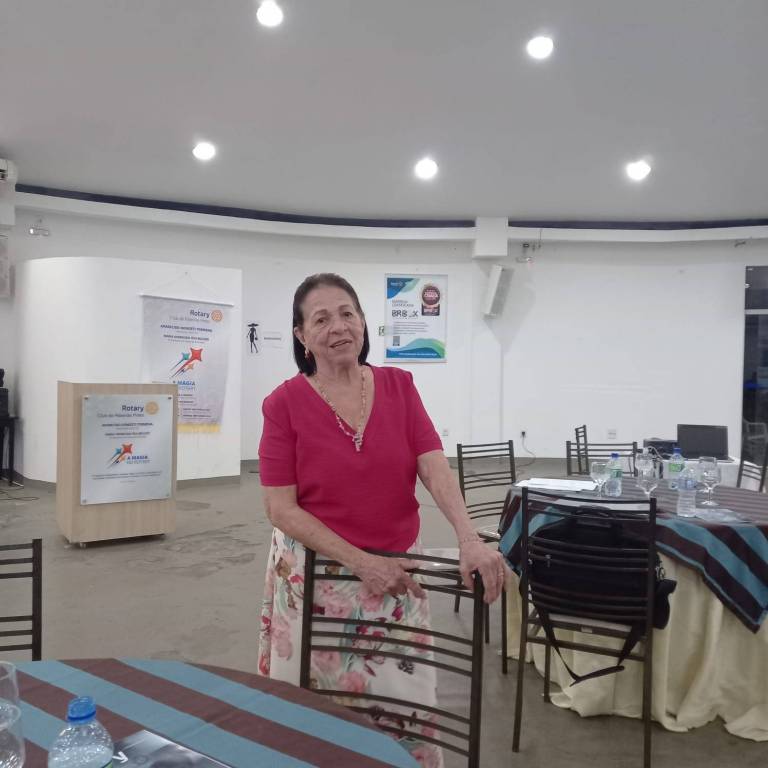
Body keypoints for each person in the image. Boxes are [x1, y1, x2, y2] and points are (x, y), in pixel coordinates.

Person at [258, 273, 507, 767]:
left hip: (397, 575)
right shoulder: (283, 404)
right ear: (301, 335)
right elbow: (280, 508)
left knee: (404, 705)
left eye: (347, 313)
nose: (338, 327)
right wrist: (361, 562)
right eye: (321, 319)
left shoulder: (398, 386)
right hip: (318, 577)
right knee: (314, 707)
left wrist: (469, 538)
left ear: (364, 321)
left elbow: (433, 465)